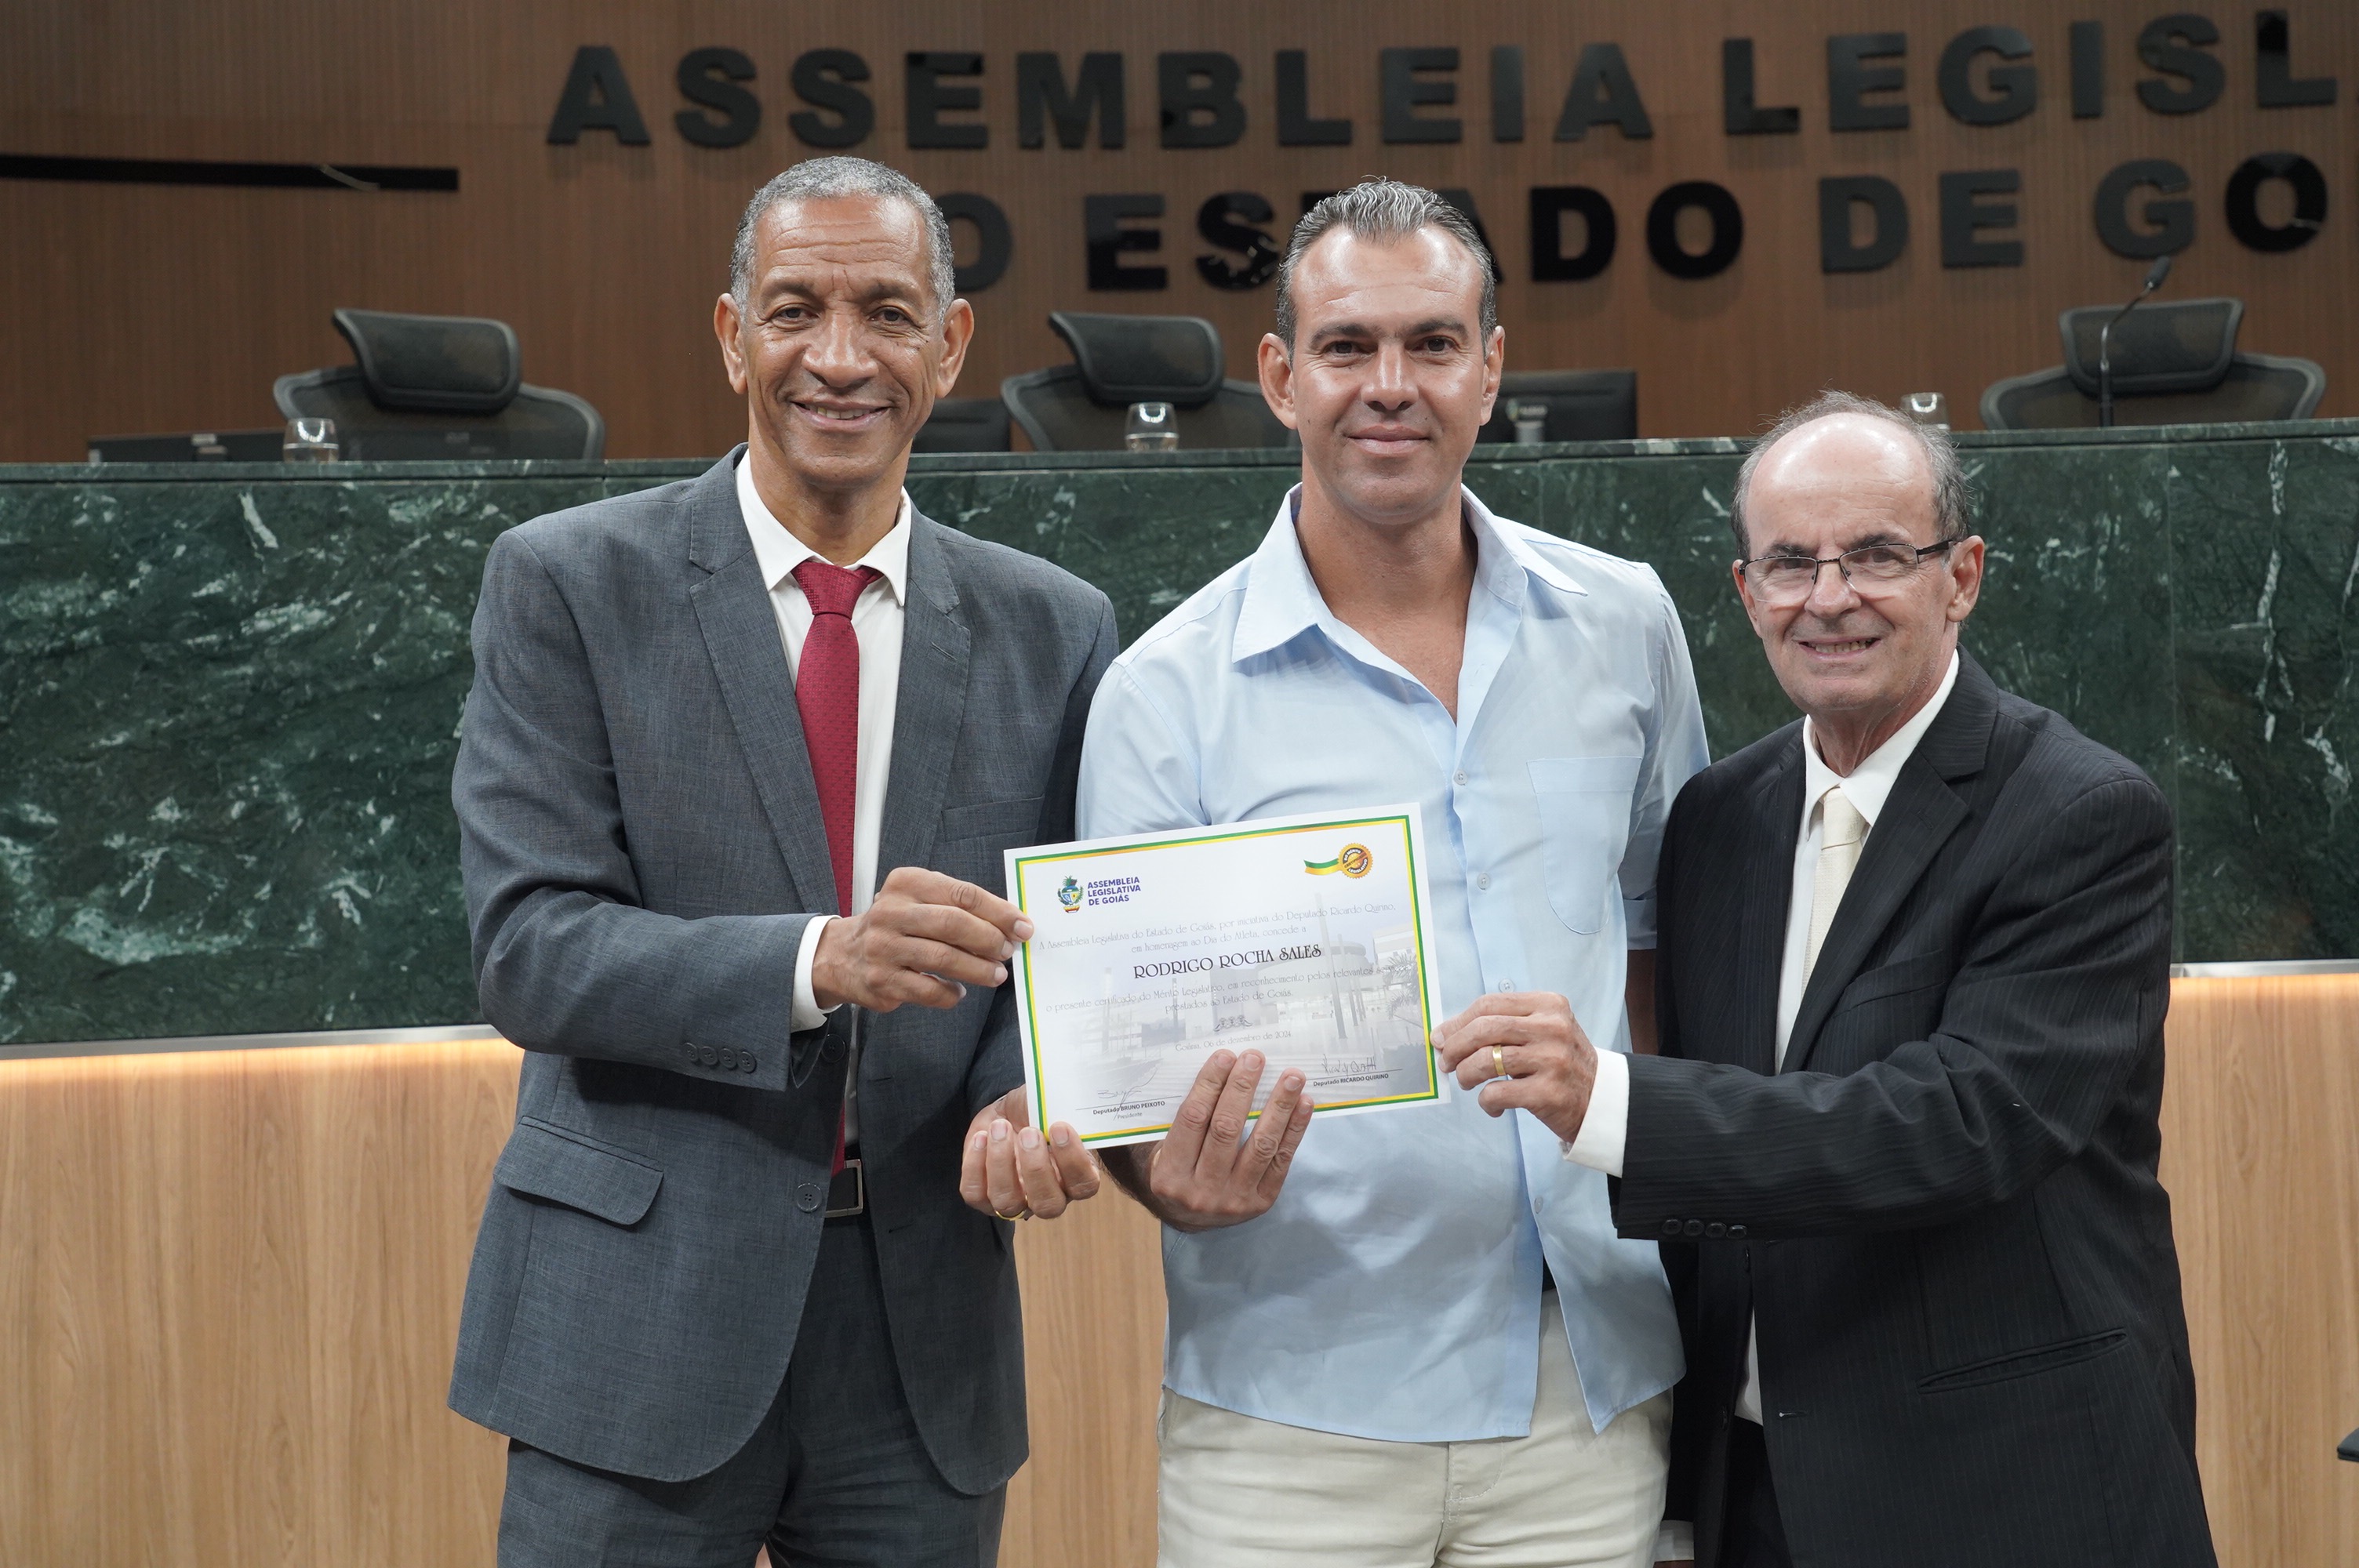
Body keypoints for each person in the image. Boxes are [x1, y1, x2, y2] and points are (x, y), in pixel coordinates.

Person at [448, 155, 1114, 1567]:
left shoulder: (1055, 629)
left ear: (951, 345)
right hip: (635, 1322)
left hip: (921, 1342)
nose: (840, 358)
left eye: (887, 313)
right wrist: (822, 960)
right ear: (732, 334)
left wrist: (1024, 1097)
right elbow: (528, 949)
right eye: (796, 309)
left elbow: (1053, 959)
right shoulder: (568, 582)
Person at [1434, 392, 2216, 1566]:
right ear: (1747, 594)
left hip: (2013, 1492)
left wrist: (1613, 1103)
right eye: (1790, 563)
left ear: (1962, 576)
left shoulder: (2081, 812)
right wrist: (1689, 1493)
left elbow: (1959, 1124)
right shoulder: (1717, 820)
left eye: (1879, 555)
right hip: (1764, 1496)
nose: (1830, 596)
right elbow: (1726, 1194)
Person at [1078, 177, 1708, 1568]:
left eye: (1432, 343)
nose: (1390, 385)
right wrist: (1165, 1182)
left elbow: (1668, 943)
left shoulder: (1625, 625)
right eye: (1347, 346)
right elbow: (1125, 1071)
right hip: (1290, 1412)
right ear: (1279, 377)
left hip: (1588, 1389)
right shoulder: (1163, 696)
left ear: (1491, 370)